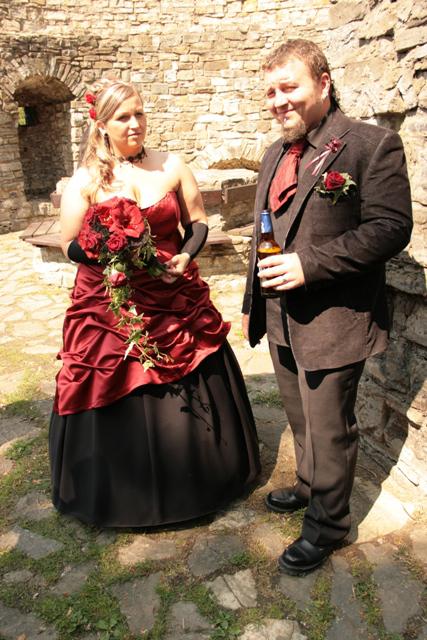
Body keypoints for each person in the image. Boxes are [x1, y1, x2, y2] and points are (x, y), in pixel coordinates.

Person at [49, 78, 261, 528]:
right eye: (123, 117)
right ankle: (122, 492)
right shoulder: (85, 181)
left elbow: (197, 222)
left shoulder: (172, 165)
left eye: (140, 113)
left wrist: (186, 255)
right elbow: (69, 243)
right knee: (114, 375)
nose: (135, 124)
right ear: (102, 125)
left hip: (173, 293)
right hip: (111, 303)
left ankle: (204, 476)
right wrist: (109, 253)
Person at [242, 39, 412, 575]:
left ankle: (329, 524)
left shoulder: (371, 145)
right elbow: (265, 232)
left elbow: (391, 228)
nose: (278, 101)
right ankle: (309, 485)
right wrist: (255, 297)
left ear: (323, 82)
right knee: (300, 418)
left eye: (288, 87)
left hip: (336, 319)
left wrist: (308, 266)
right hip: (279, 315)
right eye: (270, 91)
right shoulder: (274, 153)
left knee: (330, 427)